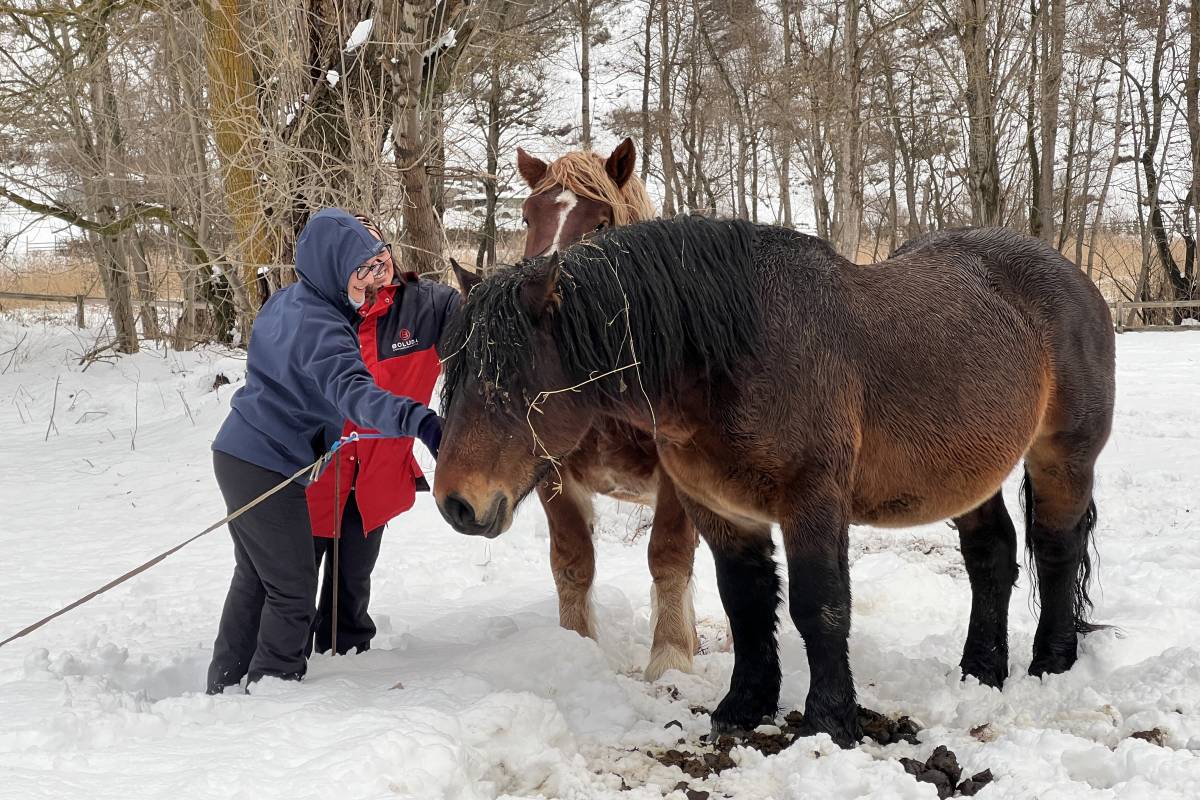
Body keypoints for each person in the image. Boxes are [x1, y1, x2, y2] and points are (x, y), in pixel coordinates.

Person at [206, 208, 444, 694]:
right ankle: (273, 689)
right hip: (264, 466)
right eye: (363, 271)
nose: (375, 281)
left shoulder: (289, 302)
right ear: (335, 268)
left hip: (243, 454)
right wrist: (419, 420)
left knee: (256, 578)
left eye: (381, 265)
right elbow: (354, 393)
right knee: (293, 593)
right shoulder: (324, 327)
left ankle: (225, 687)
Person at [305, 214, 458, 656]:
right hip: (314, 474)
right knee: (292, 583)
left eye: (382, 253)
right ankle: (280, 668)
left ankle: (346, 660)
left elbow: (480, 319)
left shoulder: (426, 307)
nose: (378, 264)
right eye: (364, 259)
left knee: (352, 582)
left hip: (376, 475)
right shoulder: (319, 311)